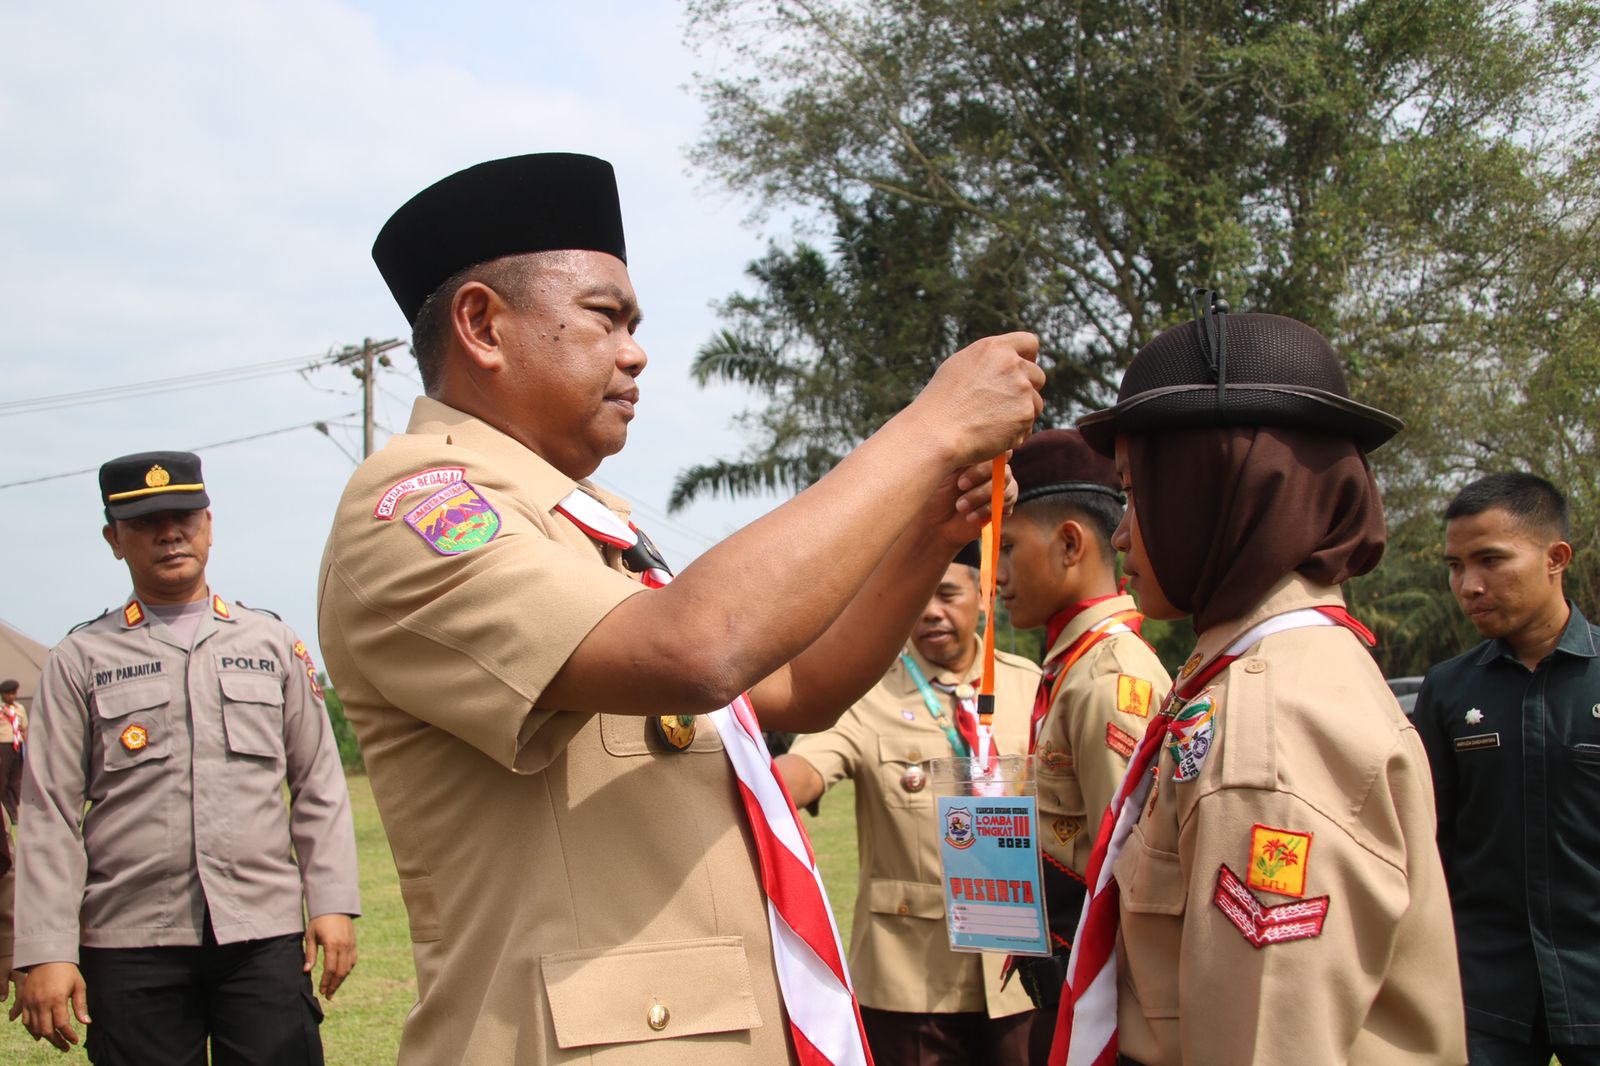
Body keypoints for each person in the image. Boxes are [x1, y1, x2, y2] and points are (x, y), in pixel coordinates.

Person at [317, 151, 1044, 1066]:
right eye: (605, 316)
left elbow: (799, 689)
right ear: (482, 325)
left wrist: (927, 538)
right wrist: (930, 428)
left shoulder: (589, 524)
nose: (635, 352)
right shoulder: (414, 509)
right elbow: (699, 648)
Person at [1051, 295, 1466, 1066]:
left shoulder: (1265, 731)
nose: (1122, 533)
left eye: (1138, 493)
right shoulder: (1271, 673)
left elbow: (1269, 1041)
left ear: (1212, 494)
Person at [14, 451, 360, 1063]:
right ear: (113, 539)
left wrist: (331, 902)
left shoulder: (271, 643)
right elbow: (50, 813)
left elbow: (318, 784)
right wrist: (47, 950)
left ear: (209, 525)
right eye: (146, 522)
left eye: (184, 517)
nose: (169, 533)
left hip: (261, 933)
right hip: (130, 939)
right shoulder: (81, 658)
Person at [774, 550, 1044, 1064]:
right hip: (911, 981)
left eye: (947, 594)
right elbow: (807, 767)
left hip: (1018, 970)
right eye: (919, 597)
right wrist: (753, 785)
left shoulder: (1030, 684)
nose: (931, 611)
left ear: (983, 595)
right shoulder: (868, 691)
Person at [1414, 473, 1600, 1065]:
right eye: (1456, 566)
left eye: (1491, 560)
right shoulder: (1448, 690)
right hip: (1487, 992)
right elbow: (1431, 841)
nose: (1469, 586)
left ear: (1556, 558)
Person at [992, 429, 1170, 1014]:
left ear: (1070, 544)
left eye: (1008, 548)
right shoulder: (1073, 667)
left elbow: (1129, 871)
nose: (996, 575)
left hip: (1103, 1000)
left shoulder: (1107, 679)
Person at [0, 679, 24, 821]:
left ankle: (13, 813)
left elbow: (24, 728)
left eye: (13, 693)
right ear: (2, 694)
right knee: (2, 779)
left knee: (15, 781)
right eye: (8, 694)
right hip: (2, 746)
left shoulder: (19, 709)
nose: (11, 696)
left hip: (17, 746)